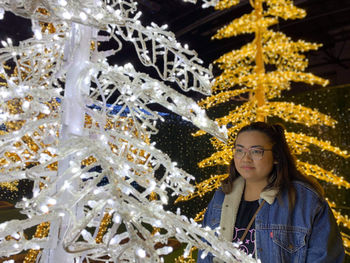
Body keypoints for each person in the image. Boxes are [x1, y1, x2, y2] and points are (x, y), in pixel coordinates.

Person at [197, 122, 345, 263]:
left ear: (276, 157)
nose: (245, 159)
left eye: (256, 151)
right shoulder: (221, 197)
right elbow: (205, 254)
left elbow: (326, 258)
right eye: (239, 150)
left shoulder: (305, 201)